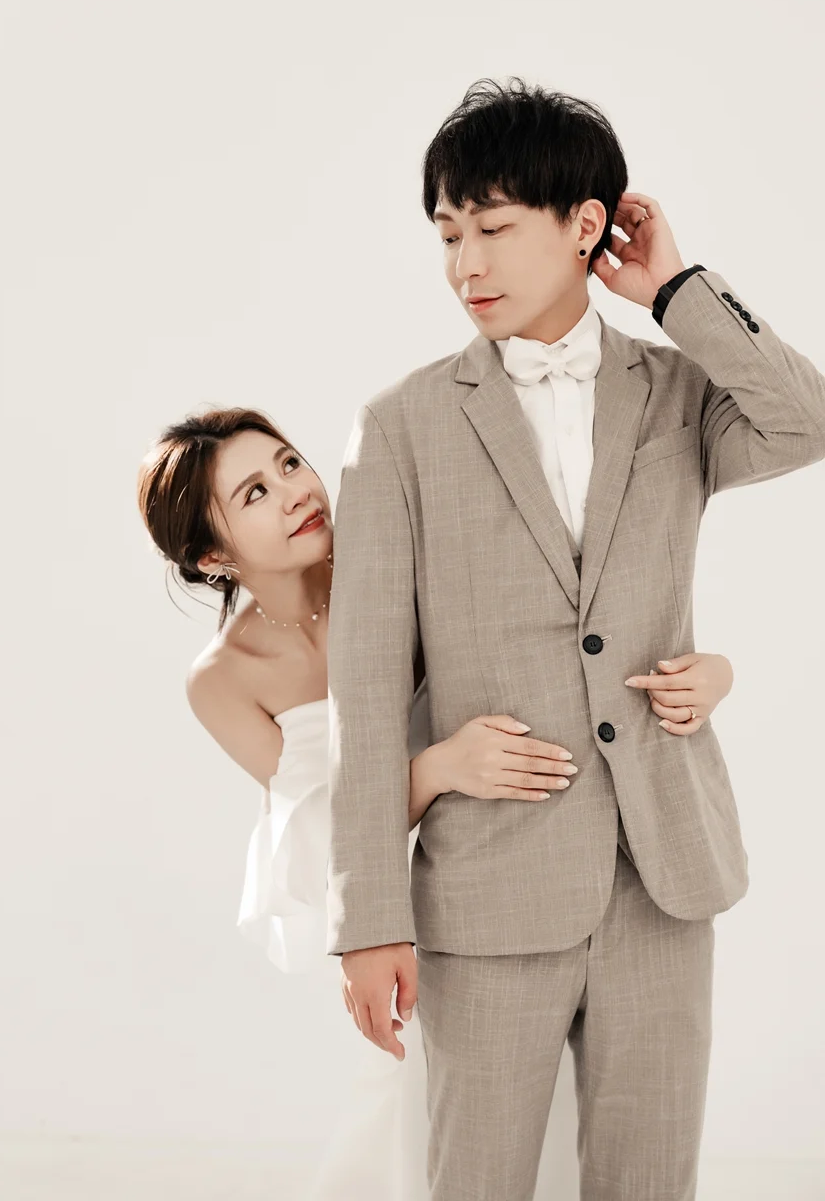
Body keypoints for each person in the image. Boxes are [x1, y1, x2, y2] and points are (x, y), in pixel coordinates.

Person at [325, 78, 825, 1201]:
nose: (465, 265)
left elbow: (807, 420)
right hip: (487, 889)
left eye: (494, 229)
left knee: (650, 1183)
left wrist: (677, 291)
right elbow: (363, 682)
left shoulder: (679, 391)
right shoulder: (400, 426)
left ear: (586, 225)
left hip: (663, 874)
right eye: (447, 235)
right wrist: (367, 919)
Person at [136, 405, 736, 1198]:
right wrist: (439, 769)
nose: (295, 492)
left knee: (592, 1114)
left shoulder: (401, 552)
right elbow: (316, 829)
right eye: (254, 493)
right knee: (447, 1128)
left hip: (549, 843)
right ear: (213, 555)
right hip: (416, 905)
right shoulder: (220, 679)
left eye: (287, 464)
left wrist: (714, 672)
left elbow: (582, 637)